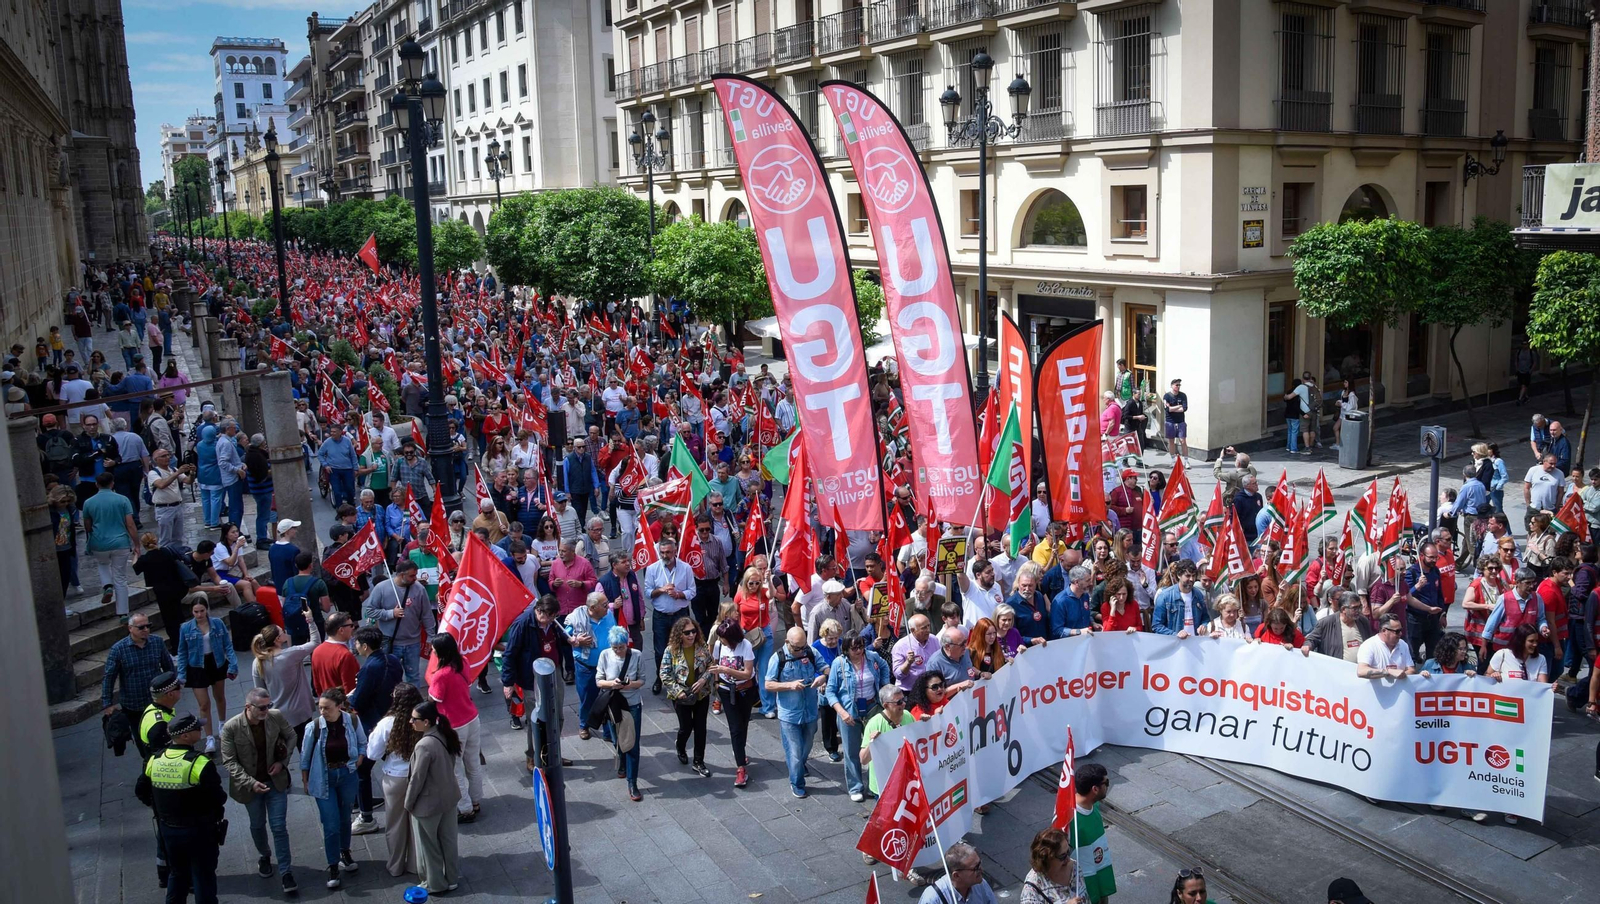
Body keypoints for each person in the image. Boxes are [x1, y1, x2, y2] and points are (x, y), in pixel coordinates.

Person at [135, 714, 226, 904]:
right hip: (199, 832)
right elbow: (219, 797)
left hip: (168, 830)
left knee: (177, 875)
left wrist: (160, 809)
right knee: (203, 878)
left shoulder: (155, 759)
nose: (200, 730)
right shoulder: (198, 763)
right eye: (196, 728)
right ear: (185, 736)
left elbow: (141, 791)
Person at [219, 687, 298, 895]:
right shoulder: (231, 728)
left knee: (279, 826)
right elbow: (229, 762)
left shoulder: (275, 717)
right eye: (262, 707)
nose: (266, 710)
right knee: (257, 825)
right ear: (248, 707)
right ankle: (264, 855)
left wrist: (282, 762)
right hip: (250, 787)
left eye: (268, 706)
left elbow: (291, 736)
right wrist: (250, 782)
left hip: (275, 782)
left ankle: (286, 871)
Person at [299, 687, 366, 890]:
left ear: (339, 707)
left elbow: (363, 742)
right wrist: (306, 781)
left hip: (347, 775)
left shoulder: (352, 721)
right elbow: (305, 756)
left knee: (345, 817)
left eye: (326, 708)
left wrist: (359, 760)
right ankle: (332, 864)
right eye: (320, 708)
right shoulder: (314, 727)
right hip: (323, 777)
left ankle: (345, 851)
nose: (322, 712)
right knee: (330, 823)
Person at [405, 700, 463, 894]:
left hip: (428, 804)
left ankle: (435, 883)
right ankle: (452, 878)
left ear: (427, 722)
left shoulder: (424, 745)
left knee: (429, 846)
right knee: (448, 841)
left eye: (414, 719)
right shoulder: (445, 734)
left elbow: (417, 779)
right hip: (449, 797)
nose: (411, 722)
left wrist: (408, 803)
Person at [365, 683, 423, 878]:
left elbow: (373, 753)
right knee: (417, 822)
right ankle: (417, 866)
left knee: (395, 824)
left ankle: (396, 866)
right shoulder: (426, 718)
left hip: (394, 778)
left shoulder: (387, 723)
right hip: (420, 776)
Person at [348, 626, 402, 834]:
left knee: (363, 770)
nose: (355, 646)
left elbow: (358, 702)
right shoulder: (393, 660)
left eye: (357, 643)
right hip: (395, 720)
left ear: (365, 646)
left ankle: (366, 817)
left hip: (374, 725)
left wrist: (352, 694)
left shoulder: (369, 669)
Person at [425, 632, 484, 823]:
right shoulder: (463, 662)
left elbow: (434, 699)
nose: (431, 650)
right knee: (473, 764)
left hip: (453, 726)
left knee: (455, 769)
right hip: (472, 718)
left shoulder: (441, 675)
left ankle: (465, 809)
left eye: (434, 648)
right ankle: (476, 801)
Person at [765, 625, 824, 798]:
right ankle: (797, 782)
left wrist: (823, 677)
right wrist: (789, 685)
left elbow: (825, 668)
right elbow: (768, 684)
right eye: (797, 648)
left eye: (803, 647)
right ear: (787, 642)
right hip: (789, 714)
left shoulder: (810, 651)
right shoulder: (778, 659)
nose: (800, 651)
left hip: (811, 710)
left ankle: (798, 766)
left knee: (806, 746)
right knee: (795, 752)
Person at [175, 593, 237, 753]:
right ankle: (209, 737)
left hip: (215, 662)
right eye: (196, 612)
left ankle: (222, 725)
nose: (199, 615)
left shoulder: (217, 624)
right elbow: (182, 652)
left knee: (219, 697)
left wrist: (233, 664)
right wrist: (181, 674)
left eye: (202, 611)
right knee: (203, 704)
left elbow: (227, 645)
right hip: (196, 666)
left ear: (206, 610)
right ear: (192, 612)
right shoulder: (186, 628)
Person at [364, 559, 437, 685]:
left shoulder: (419, 589)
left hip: (413, 642)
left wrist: (431, 637)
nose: (415, 578)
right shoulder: (381, 588)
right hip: (390, 641)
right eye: (412, 576)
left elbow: (427, 615)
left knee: (413, 676)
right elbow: (370, 611)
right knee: (390, 677)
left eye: (415, 575)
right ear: (401, 575)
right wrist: (391, 613)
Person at [596, 624, 646, 801]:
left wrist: (629, 684)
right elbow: (599, 681)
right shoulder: (604, 655)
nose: (618, 651)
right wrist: (613, 684)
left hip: (632, 703)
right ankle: (622, 760)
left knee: (632, 743)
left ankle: (632, 782)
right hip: (613, 703)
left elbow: (642, 680)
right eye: (615, 647)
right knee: (618, 739)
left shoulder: (637, 656)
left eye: (621, 647)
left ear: (627, 644)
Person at [660, 616, 715, 777]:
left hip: (701, 695)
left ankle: (699, 761)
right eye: (687, 633)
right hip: (682, 696)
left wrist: (704, 679)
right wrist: (678, 691)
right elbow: (664, 673)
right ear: (679, 634)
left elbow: (711, 666)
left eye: (693, 631)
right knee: (686, 727)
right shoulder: (671, 650)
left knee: (700, 728)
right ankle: (681, 746)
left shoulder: (701, 646)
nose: (691, 635)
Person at [709, 617, 759, 788]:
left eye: (724, 638)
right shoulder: (719, 645)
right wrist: (717, 681)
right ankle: (741, 768)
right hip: (725, 690)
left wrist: (726, 669)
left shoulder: (745, 646)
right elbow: (715, 663)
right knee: (735, 728)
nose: (721, 641)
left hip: (745, 690)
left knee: (743, 723)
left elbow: (747, 673)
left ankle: (740, 751)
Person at [643, 537, 697, 692]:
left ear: (674, 551)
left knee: (682, 646)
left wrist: (679, 594)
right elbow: (647, 592)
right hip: (660, 615)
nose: (665, 555)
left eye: (668, 552)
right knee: (660, 650)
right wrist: (661, 590)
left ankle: (682, 677)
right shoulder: (653, 568)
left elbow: (692, 591)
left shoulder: (685, 568)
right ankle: (661, 678)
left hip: (680, 615)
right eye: (662, 552)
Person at [83, 470, 139, 615]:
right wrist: (137, 544)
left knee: (102, 564)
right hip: (120, 542)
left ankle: (107, 585)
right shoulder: (123, 500)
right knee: (120, 577)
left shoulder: (88, 503)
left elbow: (88, 526)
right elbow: (130, 524)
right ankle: (123, 613)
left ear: (96, 484)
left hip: (99, 542)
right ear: (112, 483)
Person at [102, 613, 175, 719]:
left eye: (148, 626)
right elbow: (109, 677)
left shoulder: (157, 642)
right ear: (130, 628)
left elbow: (169, 668)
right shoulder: (118, 649)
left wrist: (172, 689)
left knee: (160, 732)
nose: (146, 629)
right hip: (133, 704)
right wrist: (107, 703)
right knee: (138, 734)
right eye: (141, 627)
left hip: (157, 701)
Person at [566, 590, 618, 738]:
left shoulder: (608, 615)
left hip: (608, 665)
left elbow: (614, 631)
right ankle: (584, 725)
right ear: (593, 607)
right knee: (588, 699)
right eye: (604, 604)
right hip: (586, 667)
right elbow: (565, 635)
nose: (608, 606)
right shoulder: (577, 618)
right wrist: (576, 641)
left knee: (608, 698)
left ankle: (608, 730)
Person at [250, 624, 318, 735]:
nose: (285, 633)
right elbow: (315, 642)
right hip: (300, 713)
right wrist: (310, 620)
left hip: (277, 716)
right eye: (282, 632)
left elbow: (260, 692)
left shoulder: (258, 662)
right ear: (278, 639)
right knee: (306, 748)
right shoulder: (291, 654)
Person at [1064, 763, 1116, 904]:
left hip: (1099, 877)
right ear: (1095, 789)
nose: (1108, 786)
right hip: (1084, 886)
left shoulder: (1094, 806)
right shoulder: (1069, 820)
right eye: (1106, 783)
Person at [916, 842, 998, 904]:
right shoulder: (933, 898)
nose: (981, 869)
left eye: (979, 863)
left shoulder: (980, 884)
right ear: (956, 875)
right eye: (975, 868)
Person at [1021, 827, 1087, 904]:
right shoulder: (1032, 889)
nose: (1068, 859)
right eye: (1062, 856)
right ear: (1047, 858)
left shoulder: (1074, 867)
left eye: (1068, 852)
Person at [1152, 561, 1209, 637]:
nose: (1191, 579)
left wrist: (1204, 625)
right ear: (1179, 575)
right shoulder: (1165, 596)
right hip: (1175, 645)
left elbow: (1205, 618)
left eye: (1193, 576)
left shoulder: (1198, 595)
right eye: (1188, 576)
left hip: (1195, 643)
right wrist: (1175, 634)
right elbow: (1156, 625)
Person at [311, 612, 360, 695]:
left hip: (328, 702)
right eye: (351, 625)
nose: (353, 628)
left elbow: (317, 684)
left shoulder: (317, 651)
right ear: (341, 630)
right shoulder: (345, 655)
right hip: (343, 705)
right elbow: (351, 689)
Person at [1356, 614, 1417, 678]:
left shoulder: (1403, 644)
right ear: (1384, 631)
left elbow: (1411, 669)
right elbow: (1361, 671)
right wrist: (1388, 672)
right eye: (1397, 631)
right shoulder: (1369, 645)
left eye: (1401, 630)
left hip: (1399, 687)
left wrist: (1402, 674)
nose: (1400, 634)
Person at [1161, 377, 1188, 460]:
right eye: (1177, 385)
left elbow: (1184, 408)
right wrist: (1178, 406)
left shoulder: (1183, 395)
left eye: (1179, 385)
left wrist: (1173, 408)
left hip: (1180, 421)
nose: (1178, 386)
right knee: (1171, 441)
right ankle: (1173, 459)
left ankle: (1186, 460)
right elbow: (1168, 409)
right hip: (1170, 421)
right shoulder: (1167, 396)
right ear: (1172, 386)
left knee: (1183, 441)